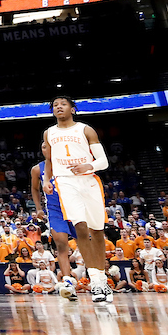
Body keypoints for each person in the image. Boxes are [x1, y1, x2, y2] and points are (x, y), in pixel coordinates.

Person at [42, 97, 112, 303]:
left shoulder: (85, 129)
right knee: (80, 226)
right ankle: (95, 281)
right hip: (65, 182)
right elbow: (49, 160)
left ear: (72, 109)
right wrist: (46, 180)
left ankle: (102, 279)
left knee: (97, 231)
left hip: (88, 181)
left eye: (63, 104)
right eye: (55, 105)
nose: (58, 107)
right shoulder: (49, 133)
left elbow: (103, 162)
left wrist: (89, 166)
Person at [31, 146, 78, 300]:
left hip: (74, 207)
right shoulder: (37, 169)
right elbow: (35, 188)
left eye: (49, 146)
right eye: (43, 146)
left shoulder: (69, 163)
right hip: (55, 210)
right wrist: (38, 208)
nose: (46, 148)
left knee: (85, 244)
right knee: (61, 244)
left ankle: (97, 279)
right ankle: (68, 282)